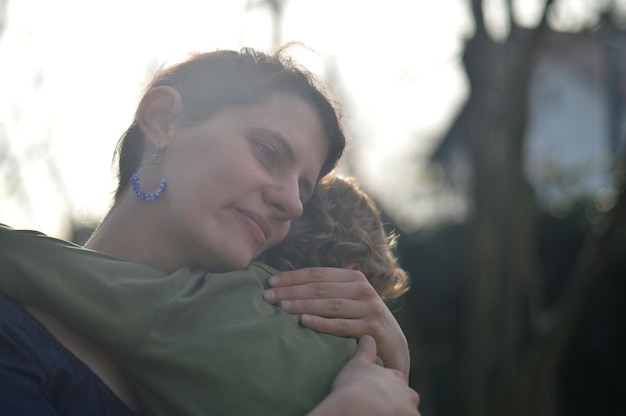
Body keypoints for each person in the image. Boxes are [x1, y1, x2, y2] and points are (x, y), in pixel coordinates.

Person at [0, 45, 419, 415]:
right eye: (268, 152)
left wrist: (388, 366)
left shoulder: (265, 348)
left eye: (304, 195)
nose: (291, 204)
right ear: (163, 120)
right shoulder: (13, 338)